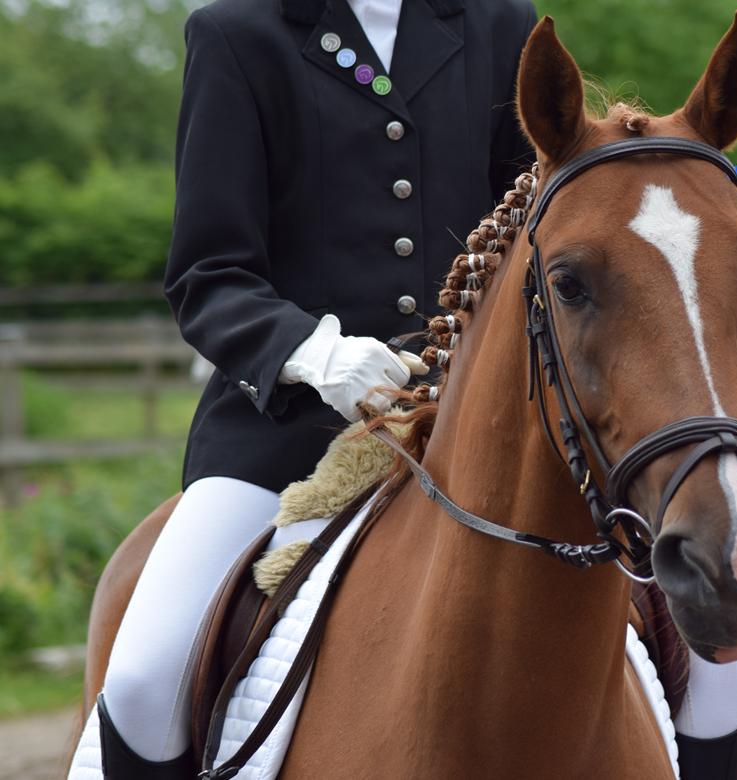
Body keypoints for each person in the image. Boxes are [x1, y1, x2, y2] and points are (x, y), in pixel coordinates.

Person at [68, 0, 537, 776]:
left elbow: (537, 226)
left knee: (714, 660)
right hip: (282, 433)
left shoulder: (499, 26)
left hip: (476, 426)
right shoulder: (237, 34)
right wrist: (314, 354)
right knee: (147, 677)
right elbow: (208, 276)